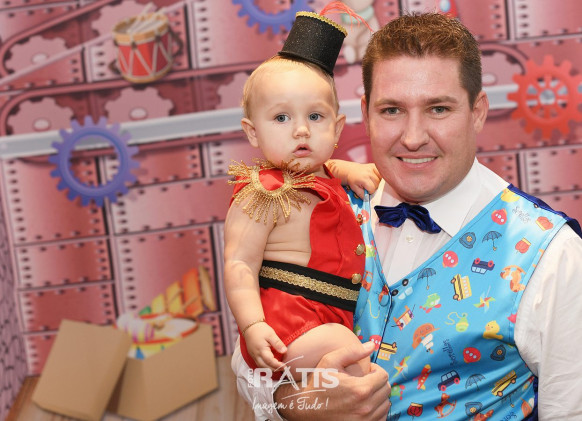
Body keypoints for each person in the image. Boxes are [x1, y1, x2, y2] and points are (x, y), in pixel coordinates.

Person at [231, 11, 582, 421]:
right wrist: (297, 404)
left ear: (477, 112)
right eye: (392, 110)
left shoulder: (551, 254)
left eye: (438, 109)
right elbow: (249, 362)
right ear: (365, 113)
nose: (413, 138)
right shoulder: (320, 203)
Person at [224, 6, 381, 387]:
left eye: (315, 117)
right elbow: (240, 263)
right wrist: (252, 325)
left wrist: (349, 170)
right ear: (252, 132)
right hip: (287, 323)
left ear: (337, 129)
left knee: (342, 375)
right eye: (281, 118)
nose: (301, 131)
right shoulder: (263, 192)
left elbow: (326, 168)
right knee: (357, 364)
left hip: (328, 314)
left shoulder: (324, 171)